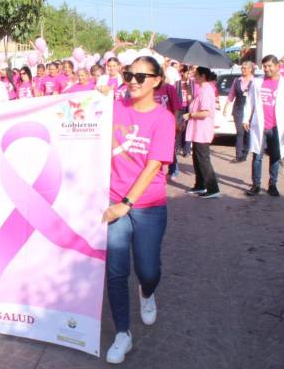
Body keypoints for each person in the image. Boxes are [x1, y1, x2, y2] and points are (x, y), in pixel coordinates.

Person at [102, 56, 175, 364]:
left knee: (148, 270)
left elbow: (153, 166)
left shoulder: (163, 118)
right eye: (129, 74)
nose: (132, 80)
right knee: (116, 273)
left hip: (147, 206)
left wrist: (126, 204)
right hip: (112, 203)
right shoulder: (114, 109)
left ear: (157, 80)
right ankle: (123, 334)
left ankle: (147, 292)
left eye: (141, 76)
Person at [243, 55, 284, 197]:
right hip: (260, 125)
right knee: (257, 156)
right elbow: (250, 102)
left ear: (277, 66)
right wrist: (246, 119)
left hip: (277, 126)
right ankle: (256, 185)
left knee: (275, 156)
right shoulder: (257, 83)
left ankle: (272, 185)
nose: (267, 69)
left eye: (269, 66)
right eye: (265, 67)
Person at [183, 67, 220, 198]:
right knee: (197, 159)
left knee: (203, 160)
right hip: (197, 129)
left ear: (203, 76)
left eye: (196, 75)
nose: (194, 76)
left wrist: (190, 114)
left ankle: (213, 188)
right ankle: (200, 185)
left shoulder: (206, 90)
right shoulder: (202, 89)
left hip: (202, 129)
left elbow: (205, 112)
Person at [223, 61, 255, 162]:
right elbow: (231, 94)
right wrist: (226, 106)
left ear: (251, 69)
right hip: (238, 109)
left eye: (245, 68)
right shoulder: (237, 81)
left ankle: (245, 152)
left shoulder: (255, 81)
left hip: (251, 110)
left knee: (247, 132)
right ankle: (238, 155)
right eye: (242, 68)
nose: (243, 70)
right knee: (240, 132)